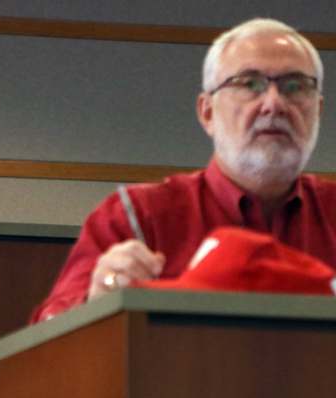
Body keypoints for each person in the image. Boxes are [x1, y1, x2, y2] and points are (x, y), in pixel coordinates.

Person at [33, 18, 336, 321]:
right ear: (207, 113)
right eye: (249, 84)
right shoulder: (138, 217)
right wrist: (96, 300)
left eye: (295, 86)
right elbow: (46, 339)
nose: (274, 103)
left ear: (319, 111)